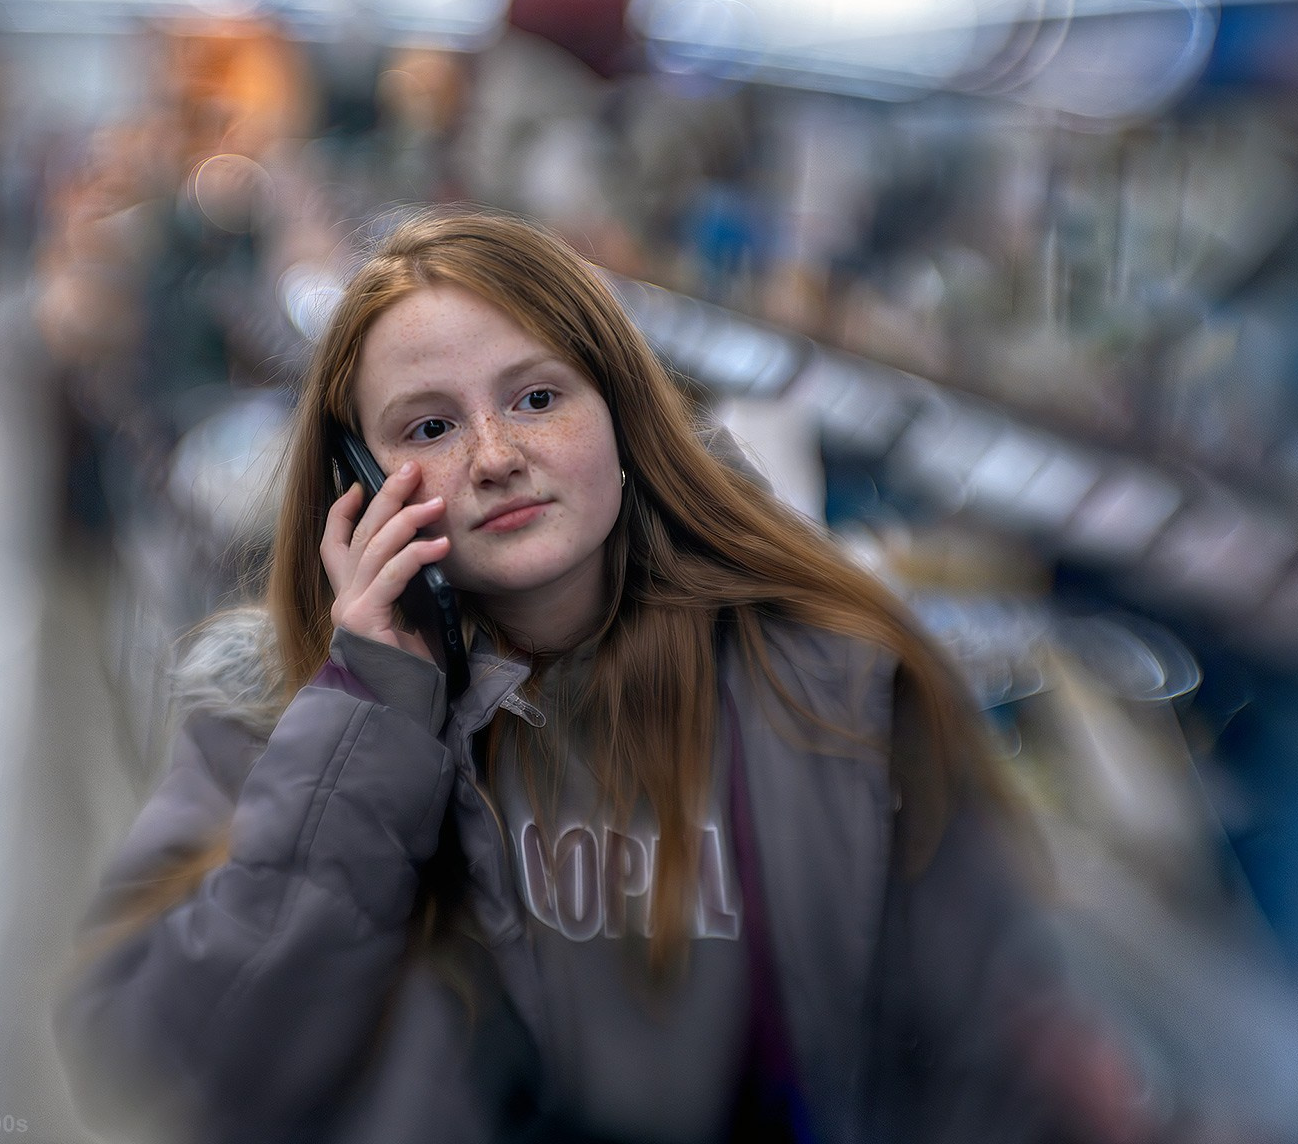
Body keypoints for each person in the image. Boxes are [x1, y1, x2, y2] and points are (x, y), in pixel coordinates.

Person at [60, 207, 1121, 1144]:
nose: (493, 456)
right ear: (358, 486)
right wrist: (368, 715)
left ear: (622, 416)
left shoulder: (830, 686)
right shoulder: (279, 703)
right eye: (429, 427)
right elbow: (199, 1050)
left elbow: (975, 1053)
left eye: (534, 399)